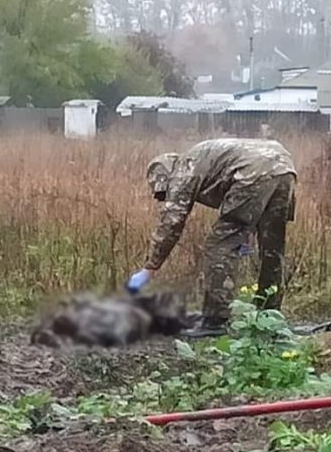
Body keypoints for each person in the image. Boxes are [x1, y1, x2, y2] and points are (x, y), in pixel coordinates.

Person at [127, 138, 297, 337]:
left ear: (164, 176)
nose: (166, 197)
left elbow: (172, 222)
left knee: (218, 246)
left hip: (251, 173)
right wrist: (247, 232)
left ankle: (216, 319)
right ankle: (269, 314)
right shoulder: (200, 159)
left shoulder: (183, 169)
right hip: (283, 167)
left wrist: (150, 268)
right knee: (272, 249)